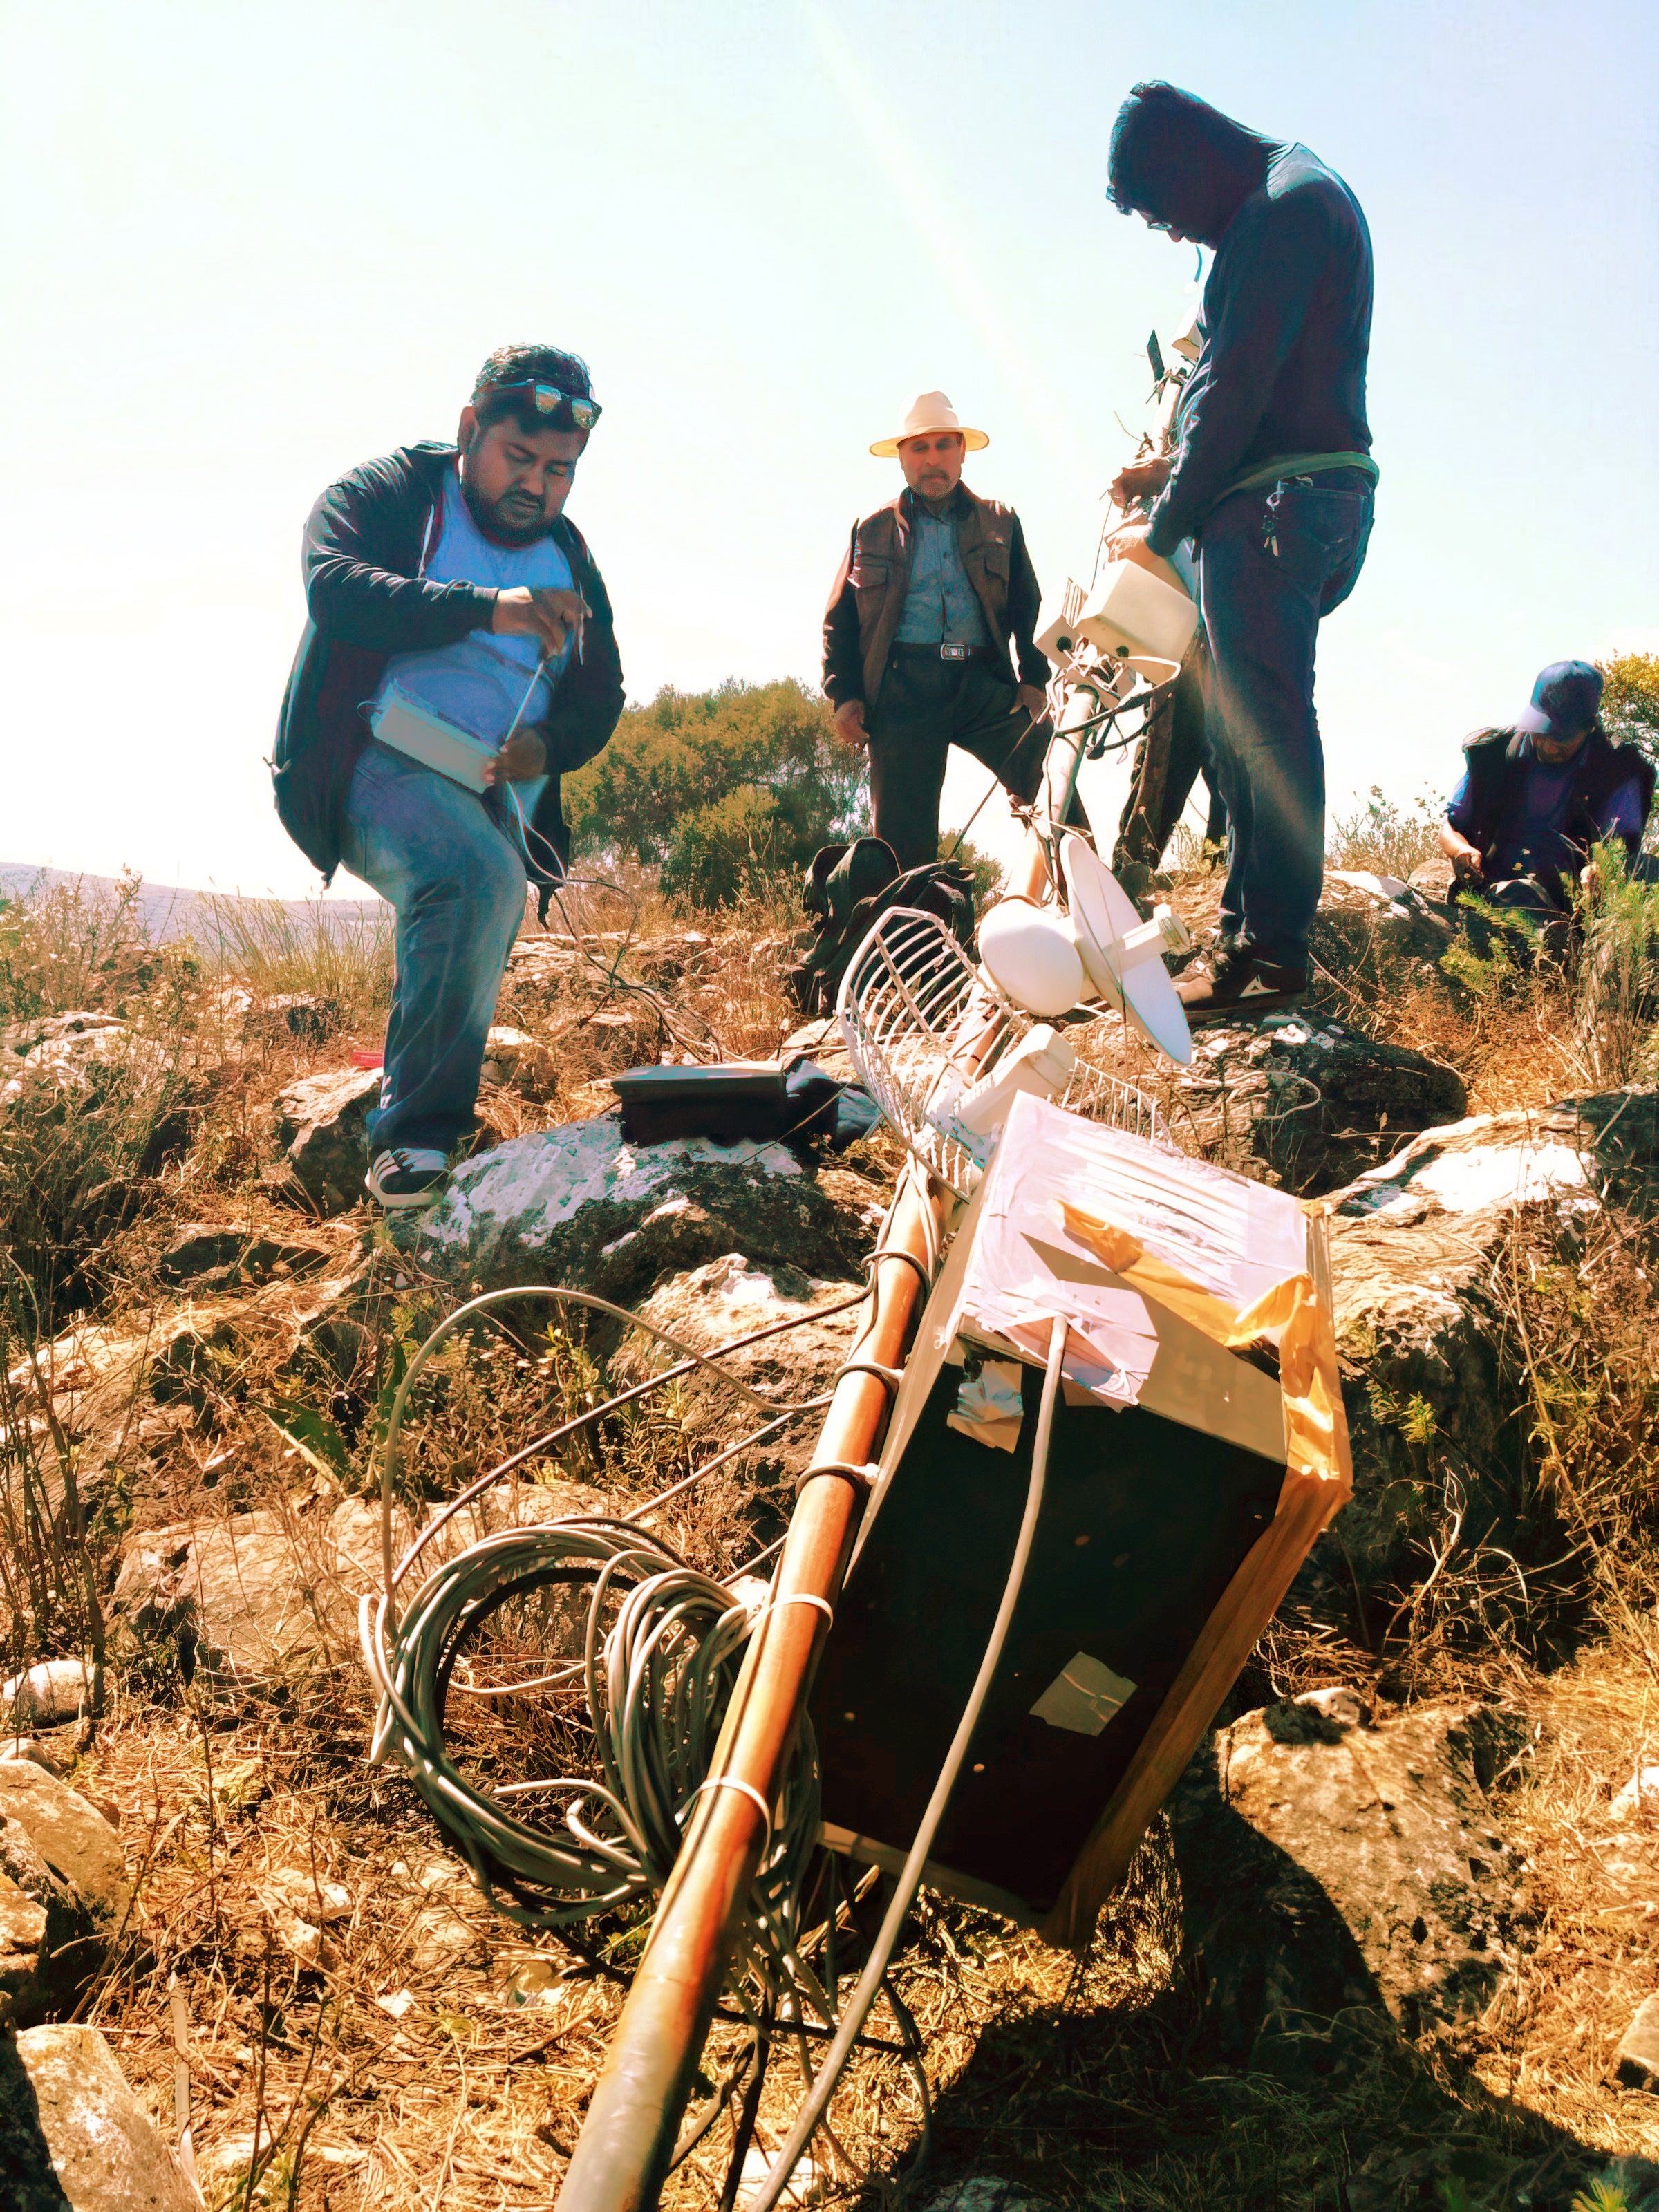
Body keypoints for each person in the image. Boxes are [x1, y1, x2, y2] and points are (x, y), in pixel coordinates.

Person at [273, 344, 625, 1208]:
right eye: (519, 457)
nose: (536, 484)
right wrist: (488, 608)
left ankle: (412, 1083)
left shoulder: (571, 558)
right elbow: (336, 588)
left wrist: (549, 745)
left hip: (494, 796)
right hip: (369, 764)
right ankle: (414, 1147)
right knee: (473, 876)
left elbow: (602, 692)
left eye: (559, 470)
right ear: (470, 429)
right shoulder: (389, 493)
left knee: (484, 885)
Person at [1103, 82, 1376, 1021]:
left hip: (1275, 506)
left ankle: (1271, 955)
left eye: (1163, 210)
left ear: (1191, 161)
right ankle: (1246, 939)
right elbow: (1268, 381)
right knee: (1241, 725)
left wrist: (1162, 531)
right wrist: (1171, 470)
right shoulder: (1293, 195)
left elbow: (1237, 387)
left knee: (1263, 725)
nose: (1175, 231)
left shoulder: (1279, 212)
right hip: (1295, 496)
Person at [821, 391, 1052, 872]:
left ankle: (1095, 901)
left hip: (984, 684)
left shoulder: (1001, 521)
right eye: (920, 448)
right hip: (903, 690)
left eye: (944, 446)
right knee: (903, 850)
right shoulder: (871, 529)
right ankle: (914, 921)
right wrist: (844, 695)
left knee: (1052, 782)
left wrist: (1033, 680)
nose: (932, 460)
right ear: (902, 458)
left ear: (962, 452)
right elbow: (839, 621)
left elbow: (1027, 606)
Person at [1440, 661, 1653, 948]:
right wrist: (1461, 850)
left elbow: (1623, 850)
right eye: (1542, 730)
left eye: (1561, 737)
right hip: (1504, 885)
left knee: (1650, 872)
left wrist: (1600, 870)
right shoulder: (1493, 755)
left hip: (1582, 894)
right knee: (1518, 895)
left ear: (1589, 728)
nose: (1549, 744)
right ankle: (1553, 951)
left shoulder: (1619, 770)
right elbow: (1450, 828)